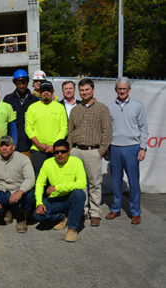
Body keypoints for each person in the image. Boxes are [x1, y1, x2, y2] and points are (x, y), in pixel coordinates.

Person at [68, 78, 112, 226]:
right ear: (78, 92)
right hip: (76, 151)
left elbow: (107, 131)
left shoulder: (102, 108)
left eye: (87, 89)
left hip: (93, 151)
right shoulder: (75, 110)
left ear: (92, 90)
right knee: (80, 184)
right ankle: (82, 210)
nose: (84, 92)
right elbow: (70, 131)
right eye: (82, 90)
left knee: (94, 183)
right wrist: (70, 149)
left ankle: (95, 213)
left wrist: (101, 151)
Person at [106, 77, 148, 225]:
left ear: (129, 90)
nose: (122, 91)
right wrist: (106, 148)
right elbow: (107, 129)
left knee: (133, 182)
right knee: (116, 181)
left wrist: (143, 148)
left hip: (132, 148)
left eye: (124, 89)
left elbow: (143, 127)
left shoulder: (138, 106)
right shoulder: (109, 107)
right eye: (119, 88)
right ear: (116, 90)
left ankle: (135, 212)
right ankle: (116, 208)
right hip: (115, 148)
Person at [34, 139, 86, 242]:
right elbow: (39, 183)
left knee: (79, 194)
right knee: (37, 215)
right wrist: (39, 203)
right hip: (56, 199)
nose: (60, 154)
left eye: (63, 151)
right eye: (56, 152)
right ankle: (62, 217)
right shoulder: (47, 163)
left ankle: (72, 228)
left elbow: (82, 183)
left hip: (71, 197)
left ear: (69, 151)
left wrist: (57, 187)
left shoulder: (76, 162)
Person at [0, 136, 35, 233]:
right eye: (2, 146)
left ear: (13, 147)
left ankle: (22, 217)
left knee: (30, 194)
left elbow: (30, 179)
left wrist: (20, 191)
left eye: (7, 145)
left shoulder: (23, 159)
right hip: (2, 191)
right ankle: (6, 210)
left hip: (18, 191)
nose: (4, 148)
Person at [25, 81, 68, 177]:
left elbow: (64, 128)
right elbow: (28, 128)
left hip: (56, 151)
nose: (46, 92)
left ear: (52, 92)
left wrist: (54, 146)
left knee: (56, 178)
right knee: (40, 178)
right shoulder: (32, 108)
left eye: (48, 90)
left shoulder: (60, 107)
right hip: (37, 150)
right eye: (43, 90)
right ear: (39, 92)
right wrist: (39, 144)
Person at [3, 69, 39, 158]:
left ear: (27, 82)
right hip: (13, 146)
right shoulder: (8, 100)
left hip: (30, 147)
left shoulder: (34, 100)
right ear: (15, 84)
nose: (21, 86)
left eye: (24, 82)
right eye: (19, 83)